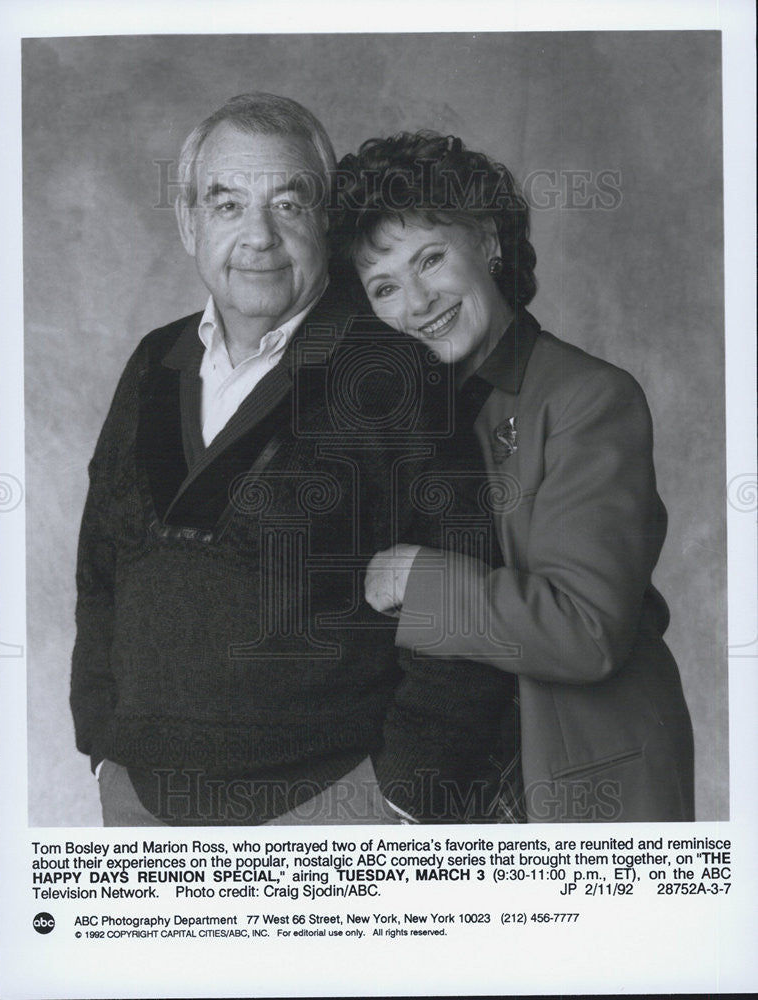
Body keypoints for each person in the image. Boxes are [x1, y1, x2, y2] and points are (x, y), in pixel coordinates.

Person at [69, 96, 521, 826]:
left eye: (287, 203)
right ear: (190, 222)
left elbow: (465, 590)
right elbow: (100, 568)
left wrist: (401, 796)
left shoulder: (395, 373)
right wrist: (102, 740)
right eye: (226, 204)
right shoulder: (158, 360)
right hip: (138, 802)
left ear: (325, 221)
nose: (258, 236)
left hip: (327, 803)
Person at [332, 131, 695, 822]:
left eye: (430, 258)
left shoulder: (586, 398)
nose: (415, 302)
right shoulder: (387, 418)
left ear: (489, 239)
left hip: (570, 774)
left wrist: (416, 581)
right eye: (383, 286)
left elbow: (583, 632)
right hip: (438, 780)